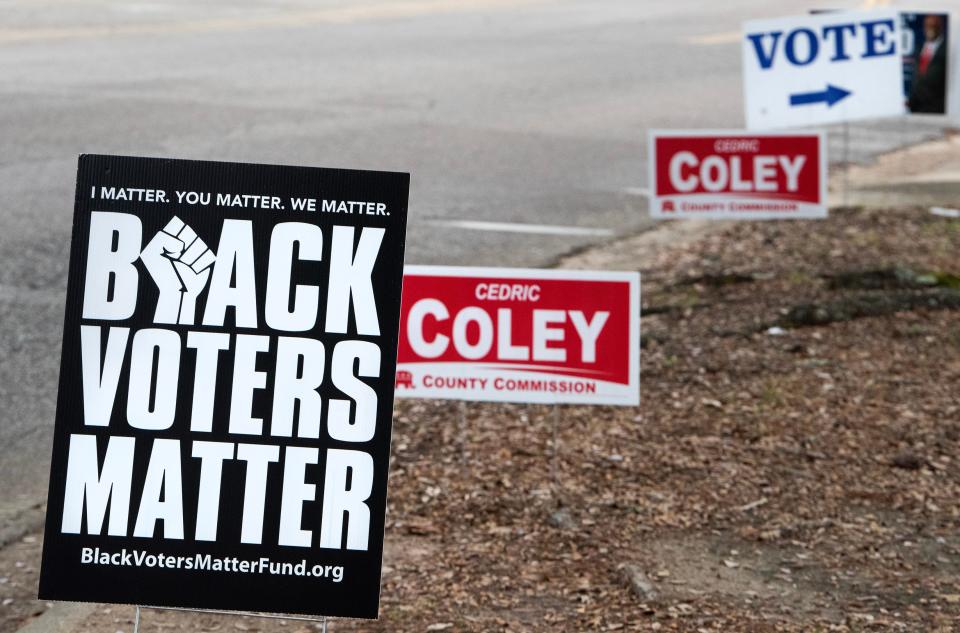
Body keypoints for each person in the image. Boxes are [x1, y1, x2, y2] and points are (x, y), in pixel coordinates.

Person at [908, 15, 948, 114]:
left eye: (934, 26)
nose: (930, 29)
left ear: (941, 27)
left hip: (937, 109)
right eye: (927, 26)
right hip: (916, 108)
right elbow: (916, 77)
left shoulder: (947, 48)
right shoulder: (919, 47)